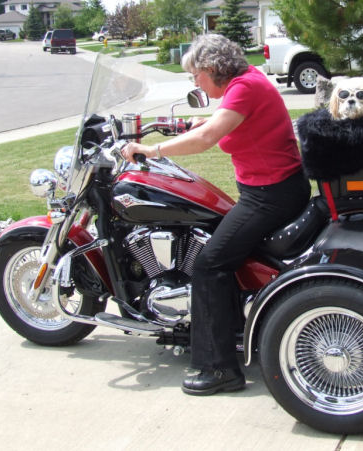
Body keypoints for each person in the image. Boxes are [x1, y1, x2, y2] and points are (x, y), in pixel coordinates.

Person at [121, 34, 311, 395]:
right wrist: (198, 125)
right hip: (274, 189)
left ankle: (218, 369)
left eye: (195, 76)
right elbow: (225, 123)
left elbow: (208, 138)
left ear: (210, 69)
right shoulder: (248, 81)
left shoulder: (245, 87)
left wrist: (151, 150)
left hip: (270, 195)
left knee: (209, 263)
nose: (195, 83)